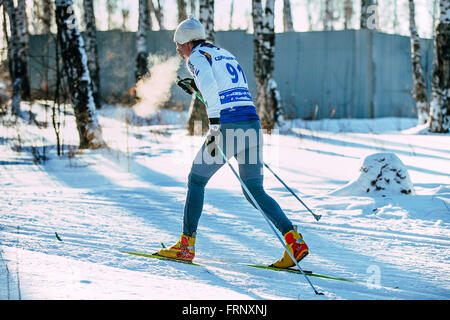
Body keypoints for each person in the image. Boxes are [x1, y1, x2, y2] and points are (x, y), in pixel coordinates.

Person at [156, 15, 308, 268]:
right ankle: (294, 240)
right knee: (255, 190)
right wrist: (196, 91)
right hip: (251, 125)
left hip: (228, 127)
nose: (177, 50)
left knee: (196, 179)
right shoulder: (222, 54)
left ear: (186, 42)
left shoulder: (196, 57)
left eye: (177, 44)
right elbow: (227, 91)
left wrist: (215, 125)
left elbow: (210, 86)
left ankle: (186, 245)